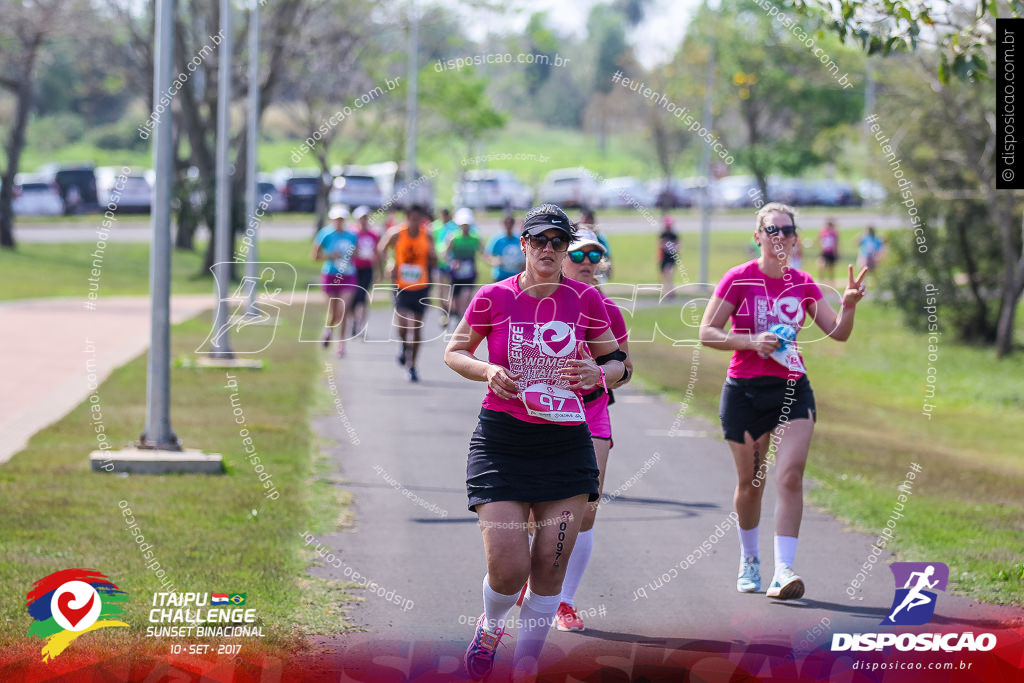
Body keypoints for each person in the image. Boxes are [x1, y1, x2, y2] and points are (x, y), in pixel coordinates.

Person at [444, 204, 628, 681]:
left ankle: (525, 667)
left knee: (549, 565)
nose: (548, 249)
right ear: (522, 245)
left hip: (566, 444)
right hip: (503, 440)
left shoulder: (586, 301)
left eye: (557, 241)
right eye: (539, 240)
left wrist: (599, 373)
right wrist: (488, 370)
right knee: (509, 567)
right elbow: (455, 351)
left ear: (564, 249)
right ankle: (489, 628)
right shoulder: (492, 297)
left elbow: (620, 364)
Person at [699, 202, 867, 600]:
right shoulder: (739, 279)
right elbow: (707, 332)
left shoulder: (804, 283)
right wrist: (750, 341)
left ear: (795, 238)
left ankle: (784, 570)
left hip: (793, 389)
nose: (779, 237)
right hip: (745, 391)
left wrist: (848, 305)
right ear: (758, 236)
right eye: (771, 230)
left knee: (790, 475)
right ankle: (750, 559)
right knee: (751, 484)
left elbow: (837, 333)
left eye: (786, 230)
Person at [553, 228, 632, 632]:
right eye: (579, 254)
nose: (587, 262)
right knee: (542, 508)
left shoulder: (610, 310)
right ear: (562, 256)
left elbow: (626, 369)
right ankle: (536, 578)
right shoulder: (538, 303)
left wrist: (599, 373)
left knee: (585, 508)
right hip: (543, 415)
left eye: (594, 255)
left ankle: (564, 600)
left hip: (592, 412)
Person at [378, 204, 436, 382]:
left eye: (418, 219)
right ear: (407, 217)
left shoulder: (426, 235)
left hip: (421, 286)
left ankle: (412, 366)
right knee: (402, 325)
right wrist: (389, 263)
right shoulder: (397, 234)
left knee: (417, 330)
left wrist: (433, 262)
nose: (415, 222)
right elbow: (381, 249)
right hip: (401, 285)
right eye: (412, 218)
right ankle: (404, 346)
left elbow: (434, 258)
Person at [312, 205, 359, 358]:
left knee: (343, 310)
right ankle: (328, 330)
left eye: (342, 219)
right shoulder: (325, 235)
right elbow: (315, 256)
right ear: (332, 220)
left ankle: (341, 345)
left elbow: (356, 254)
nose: (339, 222)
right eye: (337, 219)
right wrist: (331, 256)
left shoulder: (351, 235)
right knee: (333, 312)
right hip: (331, 275)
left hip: (348, 275)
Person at [446, 208, 483, 328]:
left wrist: (493, 260)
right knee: (455, 298)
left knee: (466, 295)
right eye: (463, 225)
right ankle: (455, 315)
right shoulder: (453, 238)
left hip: (469, 271)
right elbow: (446, 254)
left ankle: (463, 318)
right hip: (456, 272)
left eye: (467, 225)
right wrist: (452, 262)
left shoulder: (475, 238)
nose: (465, 227)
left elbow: (482, 252)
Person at [350, 206, 382, 338]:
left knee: (362, 298)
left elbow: (377, 253)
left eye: (365, 218)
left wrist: (378, 271)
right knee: (352, 298)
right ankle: (353, 322)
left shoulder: (373, 234)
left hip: (367, 269)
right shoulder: (352, 233)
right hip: (352, 269)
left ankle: (360, 326)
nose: (363, 221)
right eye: (361, 218)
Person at [433, 208, 459, 327]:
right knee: (440, 289)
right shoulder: (434, 227)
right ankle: (443, 313)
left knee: (449, 289)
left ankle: (451, 311)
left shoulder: (453, 227)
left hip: (450, 263)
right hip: (438, 262)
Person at [486, 212, 526, 282]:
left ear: (513, 224)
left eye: (510, 223)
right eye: (506, 223)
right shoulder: (497, 239)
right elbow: (487, 255)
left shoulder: (519, 238)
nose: (508, 225)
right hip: (500, 277)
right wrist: (496, 261)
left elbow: (527, 254)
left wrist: (525, 265)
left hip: (516, 277)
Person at [658, 215, 680, 298]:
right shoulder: (663, 234)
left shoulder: (674, 235)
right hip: (664, 258)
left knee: (669, 274)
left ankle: (670, 292)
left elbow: (678, 246)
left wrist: (673, 248)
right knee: (665, 276)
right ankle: (667, 292)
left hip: (671, 258)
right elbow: (660, 244)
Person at [818, 219, 839, 283]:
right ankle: (821, 280)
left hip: (831, 252)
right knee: (821, 266)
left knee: (831, 268)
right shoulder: (823, 233)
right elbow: (820, 241)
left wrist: (837, 252)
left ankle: (831, 281)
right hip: (824, 252)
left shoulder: (834, 234)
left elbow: (836, 243)